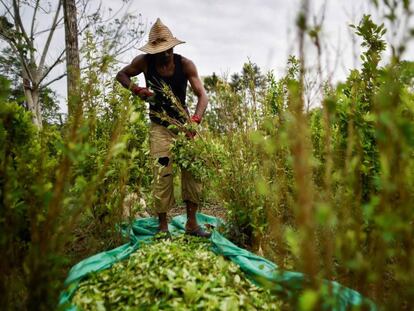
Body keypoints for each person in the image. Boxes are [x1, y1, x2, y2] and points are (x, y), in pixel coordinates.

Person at [116, 18, 211, 238]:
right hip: (159, 127)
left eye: (168, 50)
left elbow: (202, 96)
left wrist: (194, 121)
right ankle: (163, 227)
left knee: (193, 171)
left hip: (183, 125)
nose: (165, 55)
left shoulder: (185, 64)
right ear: (152, 52)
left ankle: (192, 224)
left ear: (173, 47)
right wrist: (137, 90)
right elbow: (121, 75)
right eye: (160, 51)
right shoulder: (144, 62)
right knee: (162, 173)